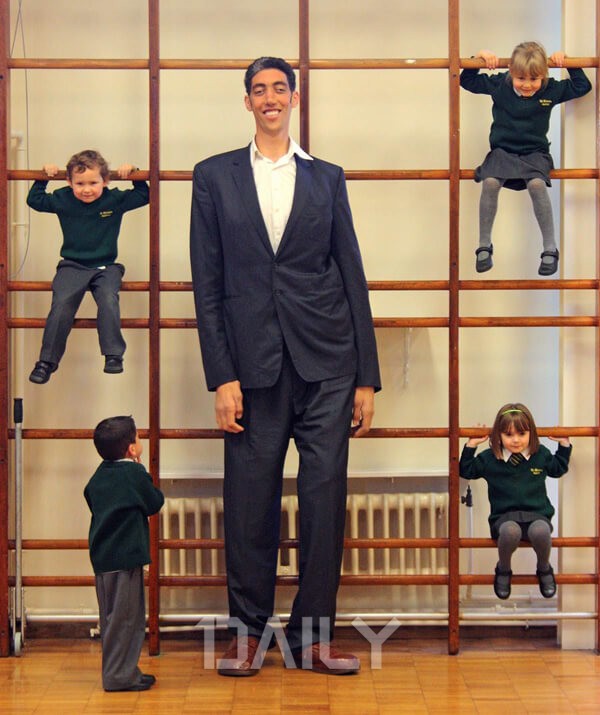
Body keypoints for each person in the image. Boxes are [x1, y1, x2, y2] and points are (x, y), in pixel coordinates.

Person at [190, 56, 381, 676]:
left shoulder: (327, 178)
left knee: (324, 504)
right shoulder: (213, 177)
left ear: (294, 98)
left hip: (328, 363)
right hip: (251, 370)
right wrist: (221, 375)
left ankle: (312, 639)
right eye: (259, 89)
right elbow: (207, 285)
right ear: (247, 102)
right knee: (250, 506)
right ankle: (247, 636)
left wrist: (366, 376)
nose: (269, 97)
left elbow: (351, 273)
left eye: (279, 88)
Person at [460, 42, 591, 275]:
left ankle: (550, 249)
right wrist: (478, 57)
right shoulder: (500, 84)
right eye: (521, 78)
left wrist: (568, 62)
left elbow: (582, 86)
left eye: (534, 79)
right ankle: (484, 246)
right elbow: (466, 81)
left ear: (544, 76)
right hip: (503, 152)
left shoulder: (550, 89)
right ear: (510, 71)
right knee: (490, 182)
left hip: (535, 153)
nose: (528, 85)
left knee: (537, 185)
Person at [26, 149, 149, 384]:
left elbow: (144, 195)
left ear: (106, 180)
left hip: (106, 267)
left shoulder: (113, 200)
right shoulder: (63, 199)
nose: (86, 189)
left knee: (108, 300)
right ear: (69, 182)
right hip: (72, 265)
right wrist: (43, 177)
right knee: (61, 303)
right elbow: (35, 201)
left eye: (93, 183)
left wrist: (134, 172)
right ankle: (46, 362)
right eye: (79, 183)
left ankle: (113, 355)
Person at [84, 415, 164, 692]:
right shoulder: (133, 474)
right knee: (127, 619)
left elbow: (90, 496)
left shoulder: (99, 475)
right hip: (126, 558)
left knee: (112, 619)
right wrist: (143, 473)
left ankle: (124, 670)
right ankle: (120, 676)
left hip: (103, 558)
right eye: (138, 437)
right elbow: (154, 502)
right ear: (131, 448)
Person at [459, 403, 571, 600]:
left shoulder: (540, 454)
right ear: (498, 435)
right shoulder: (490, 458)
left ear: (531, 433)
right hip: (504, 518)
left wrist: (564, 445)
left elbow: (558, 468)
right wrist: (471, 446)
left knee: (541, 531)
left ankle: (544, 568)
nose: (516, 440)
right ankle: (503, 569)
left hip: (537, 515)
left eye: (522, 434)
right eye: (509, 434)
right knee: (511, 531)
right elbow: (467, 470)